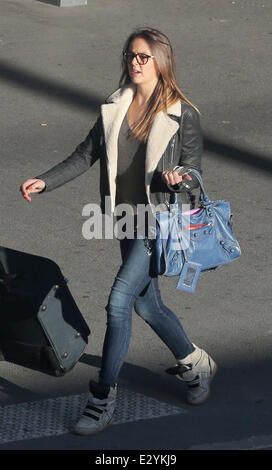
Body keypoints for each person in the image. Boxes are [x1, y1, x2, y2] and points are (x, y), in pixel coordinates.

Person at [21, 27, 217, 435]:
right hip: (126, 221)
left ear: (161, 61)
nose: (135, 63)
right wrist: (45, 180)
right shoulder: (116, 104)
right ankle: (196, 364)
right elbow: (86, 154)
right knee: (147, 306)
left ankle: (101, 398)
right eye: (131, 55)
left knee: (118, 303)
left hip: (158, 224)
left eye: (144, 56)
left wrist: (179, 179)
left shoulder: (183, 114)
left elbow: (195, 175)